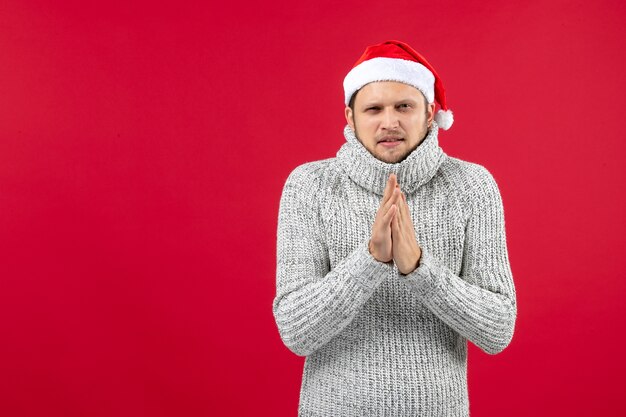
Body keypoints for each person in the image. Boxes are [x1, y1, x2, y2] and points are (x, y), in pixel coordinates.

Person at [272, 40, 517, 416]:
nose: (390, 122)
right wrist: (369, 260)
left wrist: (420, 268)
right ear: (350, 117)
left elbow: (498, 329)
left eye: (404, 106)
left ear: (430, 111)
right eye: (374, 108)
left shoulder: (471, 186)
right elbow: (296, 331)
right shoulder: (310, 185)